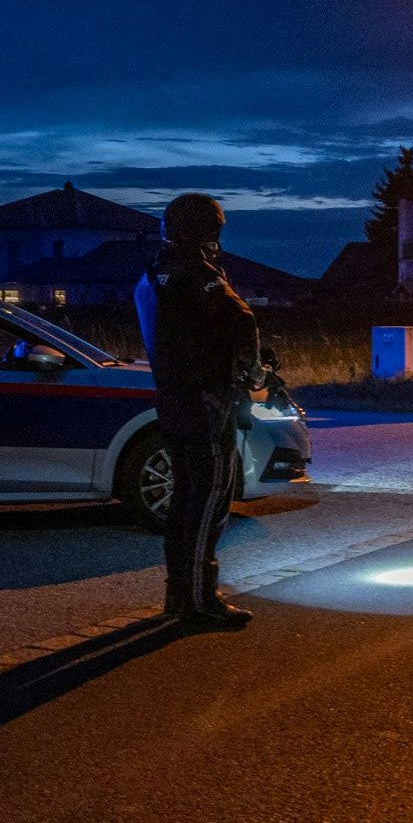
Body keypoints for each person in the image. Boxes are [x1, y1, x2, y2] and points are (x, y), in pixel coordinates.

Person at [134, 193, 260, 629]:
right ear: (209, 229)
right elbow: (240, 320)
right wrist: (252, 372)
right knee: (208, 499)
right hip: (205, 400)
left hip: (173, 397)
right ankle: (197, 601)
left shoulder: (154, 272)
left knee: (188, 501)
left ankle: (183, 595)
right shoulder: (195, 273)